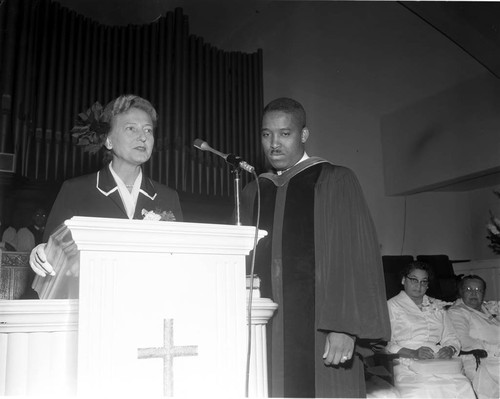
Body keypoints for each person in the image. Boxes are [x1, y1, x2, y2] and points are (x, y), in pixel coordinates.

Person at [240, 98, 390, 398]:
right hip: (262, 330)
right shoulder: (254, 190)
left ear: (303, 135)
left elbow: (356, 258)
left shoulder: (334, 180)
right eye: (266, 134)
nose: (274, 144)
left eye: (285, 133)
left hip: (322, 329)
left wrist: (344, 327)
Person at [30, 94, 183, 278]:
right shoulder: (75, 191)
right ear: (108, 141)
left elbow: (179, 261)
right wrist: (41, 253)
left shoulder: (168, 197)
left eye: (148, 130)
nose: (143, 137)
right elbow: (53, 254)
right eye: (131, 128)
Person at [386, 261, 475, 398]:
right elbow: (385, 344)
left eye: (423, 281)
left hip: (437, 361)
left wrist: (449, 349)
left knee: (462, 386)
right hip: (405, 362)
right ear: (404, 280)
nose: (419, 285)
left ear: (427, 285)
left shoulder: (437, 306)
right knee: (424, 390)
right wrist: (413, 353)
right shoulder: (391, 306)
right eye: (414, 280)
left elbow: (451, 337)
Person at [448, 275, 500, 399]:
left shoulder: (486, 309)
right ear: (461, 292)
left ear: (483, 293)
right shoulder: (457, 312)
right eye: (468, 289)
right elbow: (463, 340)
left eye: (478, 290)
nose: (473, 293)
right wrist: (496, 349)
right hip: (483, 360)